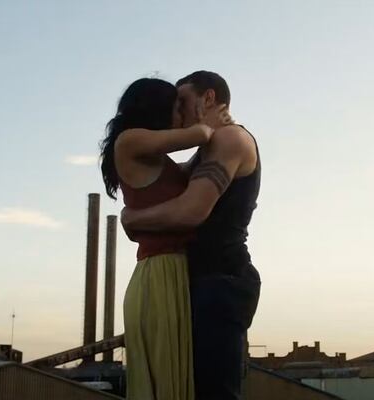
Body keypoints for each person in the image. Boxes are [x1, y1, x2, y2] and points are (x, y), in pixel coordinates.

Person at [121, 71, 262, 400]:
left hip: (221, 279)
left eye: (182, 101)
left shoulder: (230, 139)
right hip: (204, 280)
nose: (177, 111)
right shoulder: (208, 146)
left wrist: (133, 219)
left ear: (208, 98)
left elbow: (189, 211)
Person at [99, 77, 231, 400]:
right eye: (177, 108)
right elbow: (198, 135)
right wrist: (206, 120)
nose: (181, 115)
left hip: (169, 272)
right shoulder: (129, 141)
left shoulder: (156, 158)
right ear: (156, 109)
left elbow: (188, 169)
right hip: (159, 274)